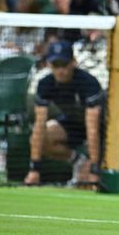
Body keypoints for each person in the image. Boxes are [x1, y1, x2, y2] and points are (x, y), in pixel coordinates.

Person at [24, 41, 103, 188]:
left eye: (64, 65)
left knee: (87, 185)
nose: (61, 70)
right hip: (73, 124)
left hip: (103, 129)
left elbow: (93, 130)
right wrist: (34, 170)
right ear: (49, 64)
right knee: (41, 136)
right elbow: (39, 125)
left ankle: (90, 167)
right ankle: (78, 161)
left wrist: (94, 169)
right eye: (56, 65)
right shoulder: (45, 84)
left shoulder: (88, 83)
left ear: (73, 63)